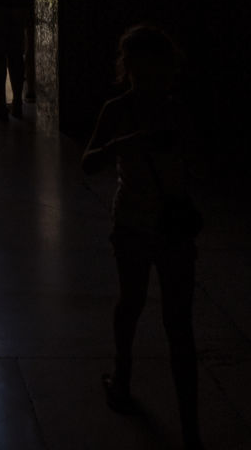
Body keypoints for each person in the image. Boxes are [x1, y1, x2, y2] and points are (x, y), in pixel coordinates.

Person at [82, 26, 203, 450]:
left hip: (133, 221)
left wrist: (124, 145)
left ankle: (123, 378)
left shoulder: (119, 110)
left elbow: (89, 163)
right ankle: (190, 428)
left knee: (130, 303)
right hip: (172, 225)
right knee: (179, 324)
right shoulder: (181, 112)